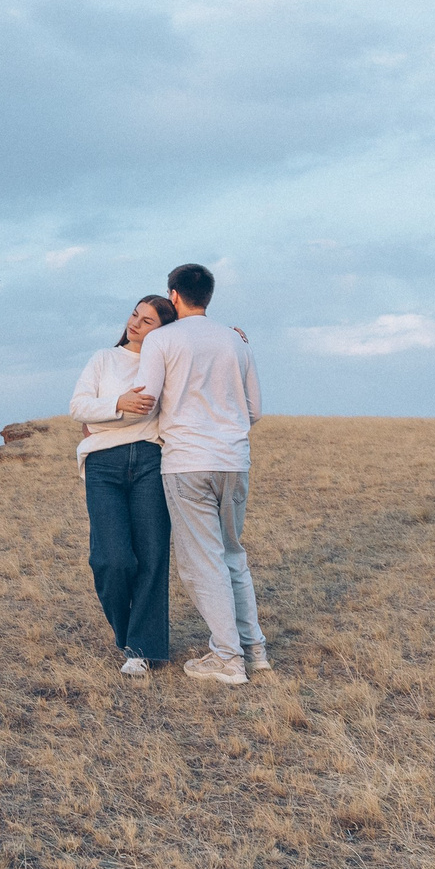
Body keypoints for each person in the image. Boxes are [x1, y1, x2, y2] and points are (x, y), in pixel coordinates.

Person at [130, 262, 266, 686]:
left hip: (188, 460)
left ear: (173, 295)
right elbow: (254, 410)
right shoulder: (236, 341)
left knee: (201, 562)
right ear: (208, 296)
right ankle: (254, 650)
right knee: (232, 554)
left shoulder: (162, 340)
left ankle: (227, 658)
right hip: (234, 459)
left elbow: (147, 400)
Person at [69, 296, 173, 675]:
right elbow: (77, 408)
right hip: (102, 465)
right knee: (110, 559)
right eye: (135, 314)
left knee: (151, 555)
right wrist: (119, 404)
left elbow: (151, 408)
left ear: (164, 331)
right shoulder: (103, 359)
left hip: (151, 460)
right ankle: (129, 633)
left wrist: (104, 418)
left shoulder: (165, 364)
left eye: (148, 321)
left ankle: (142, 650)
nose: (136, 324)